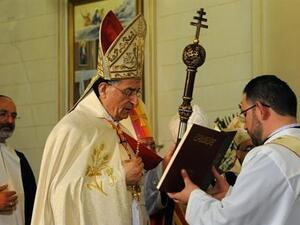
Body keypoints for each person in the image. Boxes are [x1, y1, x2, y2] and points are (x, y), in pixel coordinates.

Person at [31, 11, 166, 225]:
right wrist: (119, 178)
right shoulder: (73, 129)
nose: (134, 101)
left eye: (137, 92)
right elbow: (59, 196)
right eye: (128, 92)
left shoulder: (117, 130)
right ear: (103, 89)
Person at [168, 75, 300, 225]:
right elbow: (277, 204)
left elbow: (226, 222)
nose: (245, 126)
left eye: (245, 114)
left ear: (260, 110)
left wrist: (193, 196)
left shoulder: (268, 155)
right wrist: (231, 195)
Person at [0, 95, 36, 225]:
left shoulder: (19, 159)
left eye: (13, 116)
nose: (9, 121)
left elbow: (33, 205)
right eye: (3, 114)